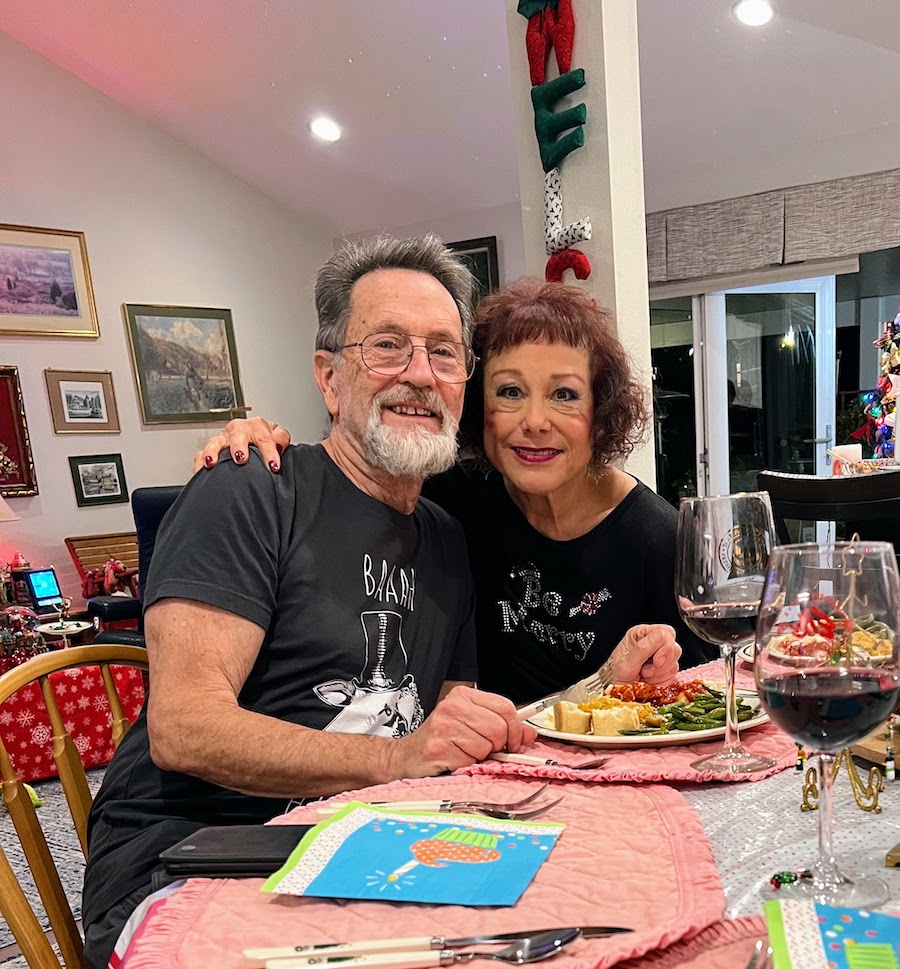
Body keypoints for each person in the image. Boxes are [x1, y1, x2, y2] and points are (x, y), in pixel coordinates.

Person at [83, 235, 554, 969]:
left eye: (444, 353)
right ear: (329, 377)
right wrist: (396, 757)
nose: (420, 374)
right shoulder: (250, 487)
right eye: (388, 346)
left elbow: (448, 727)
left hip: (360, 845)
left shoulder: (447, 538)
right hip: (189, 858)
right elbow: (184, 728)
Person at [196, 278, 711, 707]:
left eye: (565, 395)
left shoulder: (660, 540)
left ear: (601, 413)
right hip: (488, 764)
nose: (535, 421)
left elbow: (704, 705)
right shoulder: (448, 499)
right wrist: (257, 435)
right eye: (509, 392)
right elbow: (357, 462)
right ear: (474, 404)